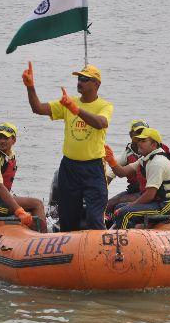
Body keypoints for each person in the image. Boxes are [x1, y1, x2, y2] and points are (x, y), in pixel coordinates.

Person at [22, 61, 113, 232]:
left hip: (93, 167)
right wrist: (30, 86)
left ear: (96, 84)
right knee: (68, 218)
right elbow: (38, 108)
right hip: (69, 166)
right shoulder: (67, 102)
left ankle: (99, 251)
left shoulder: (105, 106)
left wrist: (76, 109)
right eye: (79, 78)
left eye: (85, 79)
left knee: (94, 218)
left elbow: (101, 123)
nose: (80, 82)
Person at [0, 122, 47, 232]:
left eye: (6, 138)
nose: (1, 141)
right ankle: (42, 238)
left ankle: (36, 233)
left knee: (34, 205)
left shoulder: (9, 155)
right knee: (36, 204)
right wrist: (19, 211)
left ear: (14, 140)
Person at [104, 127, 170, 229]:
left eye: (143, 141)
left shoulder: (158, 162)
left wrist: (130, 206)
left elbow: (150, 195)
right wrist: (111, 161)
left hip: (166, 206)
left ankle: (120, 241)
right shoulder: (146, 158)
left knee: (125, 212)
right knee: (120, 207)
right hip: (156, 203)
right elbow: (122, 172)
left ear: (154, 144)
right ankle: (133, 230)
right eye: (138, 140)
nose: (138, 143)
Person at [104, 119, 150, 218]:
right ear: (131, 135)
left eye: (143, 133)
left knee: (119, 204)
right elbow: (111, 175)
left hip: (148, 192)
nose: (140, 137)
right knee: (107, 205)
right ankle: (106, 222)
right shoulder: (127, 154)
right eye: (137, 133)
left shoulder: (151, 153)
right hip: (133, 190)